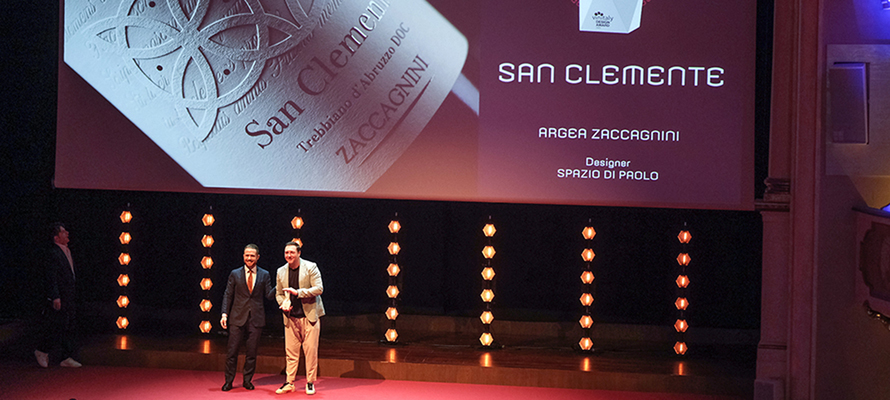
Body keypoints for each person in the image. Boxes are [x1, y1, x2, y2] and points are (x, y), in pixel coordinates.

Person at [220, 244, 275, 391]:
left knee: (251, 353)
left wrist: (280, 286)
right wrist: (224, 313)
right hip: (237, 317)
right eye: (247, 255)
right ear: (243, 256)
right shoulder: (235, 273)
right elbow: (228, 294)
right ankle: (228, 381)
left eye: (252, 256)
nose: (249, 258)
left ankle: (247, 380)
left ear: (258, 257)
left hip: (256, 318)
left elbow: (269, 295)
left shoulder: (264, 274)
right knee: (232, 352)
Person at [275, 241, 325, 395]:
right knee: (291, 353)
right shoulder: (280, 271)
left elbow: (319, 288)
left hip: (309, 317)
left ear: (299, 253)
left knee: (310, 352)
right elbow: (278, 293)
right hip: (291, 318)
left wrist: (298, 293)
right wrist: (283, 304)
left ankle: (310, 382)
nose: (288, 255)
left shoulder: (311, 267)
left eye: (292, 252)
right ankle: (289, 382)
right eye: (286, 252)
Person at [35, 223, 82, 368]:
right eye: (63, 232)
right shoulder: (53, 253)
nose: (67, 233)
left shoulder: (66, 251)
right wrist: (55, 296)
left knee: (68, 326)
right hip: (61, 296)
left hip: (69, 295)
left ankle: (65, 357)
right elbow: (51, 277)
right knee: (56, 325)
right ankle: (42, 350)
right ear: (56, 238)